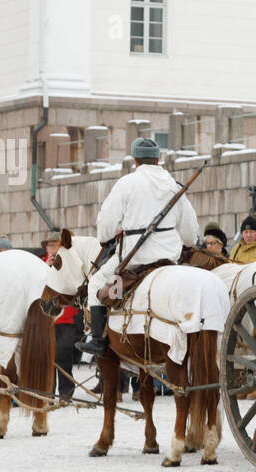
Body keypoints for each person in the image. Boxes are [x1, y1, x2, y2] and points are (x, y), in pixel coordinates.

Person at [77, 137, 201, 357]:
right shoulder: (174, 185)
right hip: (170, 259)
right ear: (158, 159)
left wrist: (106, 236)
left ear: (135, 160)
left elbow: (105, 225)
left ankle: (98, 340)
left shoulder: (126, 184)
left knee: (97, 280)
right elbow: (190, 233)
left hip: (135, 260)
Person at [42, 237, 80, 399]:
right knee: (48, 357)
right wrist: (47, 268)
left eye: (56, 245)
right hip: (47, 318)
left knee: (64, 354)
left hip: (67, 317)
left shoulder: (69, 263)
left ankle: (66, 392)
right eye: (51, 246)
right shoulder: (40, 264)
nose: (54, 249)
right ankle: (48, 392)